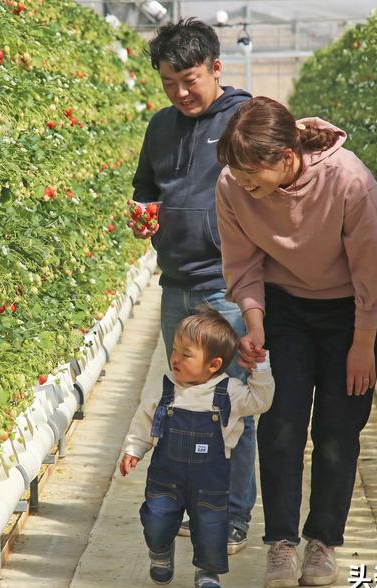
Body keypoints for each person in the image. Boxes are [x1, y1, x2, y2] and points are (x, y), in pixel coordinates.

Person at [213, 96, 377, 588]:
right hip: (285, 306)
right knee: (281, 423)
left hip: (351, 312)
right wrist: (254, 324)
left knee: (338, 430)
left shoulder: (348, 180)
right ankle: (281, 543)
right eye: (238, 174)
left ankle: (322, 542)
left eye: (254, 175)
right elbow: (243, 263)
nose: (244, 185)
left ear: (286, 156)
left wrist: (363, 342)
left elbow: (373, 270)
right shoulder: (233, 184)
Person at [128, 16, 259, 555]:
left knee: (231, 405)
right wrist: (142, 214)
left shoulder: (243, 121)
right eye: (168, 83)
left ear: (216, 69)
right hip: (176, 283)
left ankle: (232, 516)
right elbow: (144, 188)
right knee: (188, 401)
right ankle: (200, 506)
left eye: (190, 80)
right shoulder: (160, 126)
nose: (180, 93)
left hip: (228, 287)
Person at [119, 307, 274, 588]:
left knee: (211, 528)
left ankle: (208, 572)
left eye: (186, 354)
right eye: (175, 350)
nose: (175, 358)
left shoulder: (230, 392)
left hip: (210, 482)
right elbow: (144, 422)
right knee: (155, 519)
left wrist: (260, 369)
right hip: (166, 478)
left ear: (214, 364)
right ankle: (160, 549)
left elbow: (261, 400)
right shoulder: (164, 389)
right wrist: (133, 450)